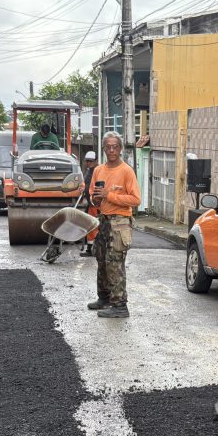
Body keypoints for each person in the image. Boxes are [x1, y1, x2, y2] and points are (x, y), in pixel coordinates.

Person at [88, 133, 140, 318]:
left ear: (120, 149)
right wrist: (95, 199)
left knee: (115, 263)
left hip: (120, 222)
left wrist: (109, 195)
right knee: (101, 260)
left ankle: (119, 306)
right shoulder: (98, 170)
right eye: (108, 147)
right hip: (104, 220)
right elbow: (93, 196)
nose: (111, 150)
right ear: (103, 149)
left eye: (115, 147)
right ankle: (104, 298)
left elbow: (135, 199)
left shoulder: (126, 171)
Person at [79, 150, 98, 257]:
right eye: (87, 161)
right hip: (90, 204)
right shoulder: (89, 171)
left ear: (96, 161)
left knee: (94, 226)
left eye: (91, 161)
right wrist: (82, 188)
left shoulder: (98, 171)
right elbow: (85, 183)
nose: (89, 163)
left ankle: (93, 249)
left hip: (96, 204)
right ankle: (90, 248)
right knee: (90, 226)